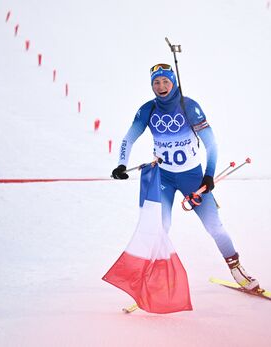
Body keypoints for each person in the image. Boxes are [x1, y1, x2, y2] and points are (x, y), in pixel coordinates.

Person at [111, 63, 259, 291]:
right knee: (161, 226)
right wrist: (121, 165)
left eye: (165, 81)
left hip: (193, 178)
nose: (161, 87)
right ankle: (151, 275)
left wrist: (208, 176)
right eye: (156, 83)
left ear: (174, 82)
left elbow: (211, 144)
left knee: (215, 227)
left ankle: (237, 269)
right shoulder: (147, 110)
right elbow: (128, 139)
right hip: (164, 179)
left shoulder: (189, 107)